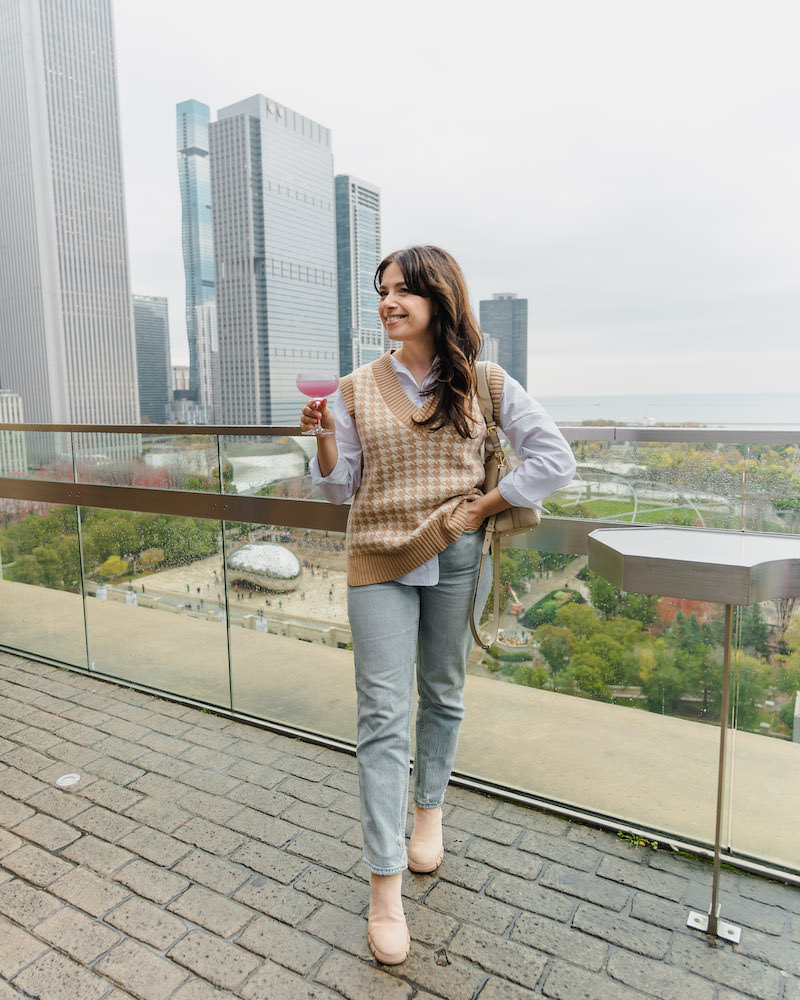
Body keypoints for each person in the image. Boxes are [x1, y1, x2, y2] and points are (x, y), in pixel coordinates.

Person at [300, 245, 575, 965]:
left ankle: (430, 815)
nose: (388, 303)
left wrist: (486, 504)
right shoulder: (357, 388)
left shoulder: (484, 384)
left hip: (456, 554)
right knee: (382, 717)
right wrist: (326, 442)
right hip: (379, 558)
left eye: (402, 291)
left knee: (443, 694)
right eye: (382, 291)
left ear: (439, 297)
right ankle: (384, 889)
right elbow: (340, 489)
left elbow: (555, 459)